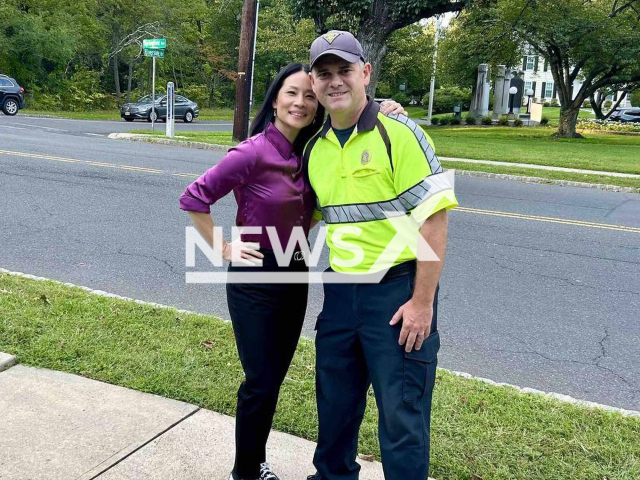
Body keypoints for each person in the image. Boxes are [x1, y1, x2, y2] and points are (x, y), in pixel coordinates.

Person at [179, 63, 405, 480]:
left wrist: (386, 109)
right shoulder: (251, 152)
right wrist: (224, 247)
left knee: (274, 378)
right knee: (260, 381)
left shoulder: (311, 151)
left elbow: (315, 207)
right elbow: (195, 197)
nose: (300, 102)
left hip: (295, 272)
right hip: (255, 279)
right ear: (275, 99)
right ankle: (246, 470)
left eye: (308, 95)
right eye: (291, 93)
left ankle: (254, 461)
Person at [304, 31, 458, 480]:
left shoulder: (400, 134)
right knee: (334, 407)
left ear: (365, 74)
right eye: (324, 73)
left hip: (396, 295)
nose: (335, 82)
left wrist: (422, 303)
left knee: (402, 416)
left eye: (344, 71)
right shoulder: (316, 148)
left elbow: (434, 220)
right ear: (313, 83)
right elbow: (308, 218)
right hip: (339, 295)